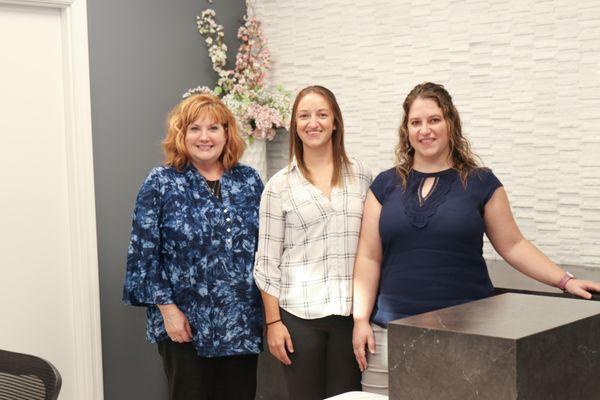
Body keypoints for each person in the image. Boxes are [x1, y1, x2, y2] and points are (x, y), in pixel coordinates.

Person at [352, 82, 600, 396]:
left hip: (468, 334)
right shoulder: (385, 184)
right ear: (406, 130)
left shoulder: (481, 182)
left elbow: (513, 245)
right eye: (416, 122)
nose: (425, 130)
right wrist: (361, 319)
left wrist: (565, 281)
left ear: (450, 124)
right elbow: (368, 256)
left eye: (434, 120)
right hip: (389, 332)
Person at [123, 93, 264, 400]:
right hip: (185, 325)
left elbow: (265, 249)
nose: (204, 137)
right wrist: (168, 311)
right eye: (195, 129)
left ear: (227, 134)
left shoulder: (249, 180)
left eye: (214, 128)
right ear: (181, 134)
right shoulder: (161, 182)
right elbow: (143, 254)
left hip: (240, 324)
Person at [253, 85, 372, 400]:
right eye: (304, 116)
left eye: (322, 114)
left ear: (335, 122)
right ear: (295, 125)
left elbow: (372, 247)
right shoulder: (278, 187)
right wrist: (273, 322)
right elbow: (266, 264)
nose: (313, 122)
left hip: (350, 316)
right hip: (298, 318)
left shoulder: (361, 176)